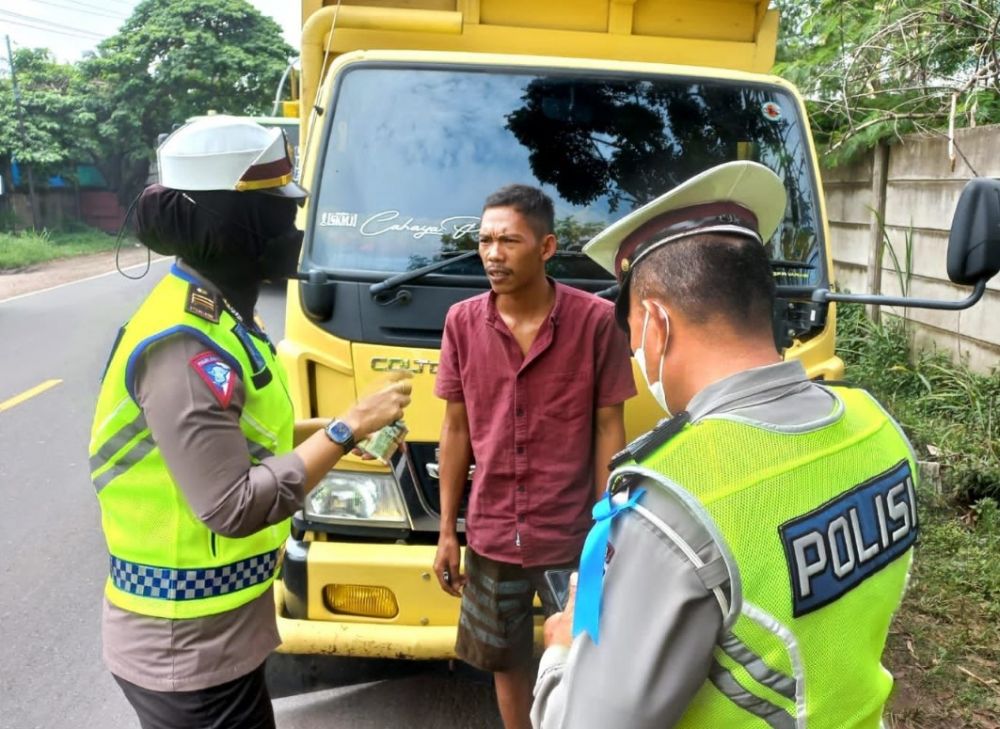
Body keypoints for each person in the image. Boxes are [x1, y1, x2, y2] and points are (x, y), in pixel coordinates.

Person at [530, 161, 919, 729]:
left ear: (656, 323)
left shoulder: (674, 501)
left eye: (631, 329)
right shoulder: (875, 424)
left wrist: (562, 652)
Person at [88, 115, 411, 729]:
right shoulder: (184, 346)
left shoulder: (223, 316)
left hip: (219, 634)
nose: (294, 227)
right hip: (184, 648)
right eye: (277, 212)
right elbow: (232, 504)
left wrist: (337, 431)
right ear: (231, 225)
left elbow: (239, 438)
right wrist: (344, 430)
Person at [431, 184, 636, 729]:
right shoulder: (461, 323)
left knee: (587, 653)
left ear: (546, 247)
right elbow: (455, 430)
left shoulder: (595, 322)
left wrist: (606, 531)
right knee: (506, 661)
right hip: (494, 533)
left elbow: (608, 428)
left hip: (572, 534)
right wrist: (448, 530)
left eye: (508, 241)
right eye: (485, 240)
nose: (493, 254)